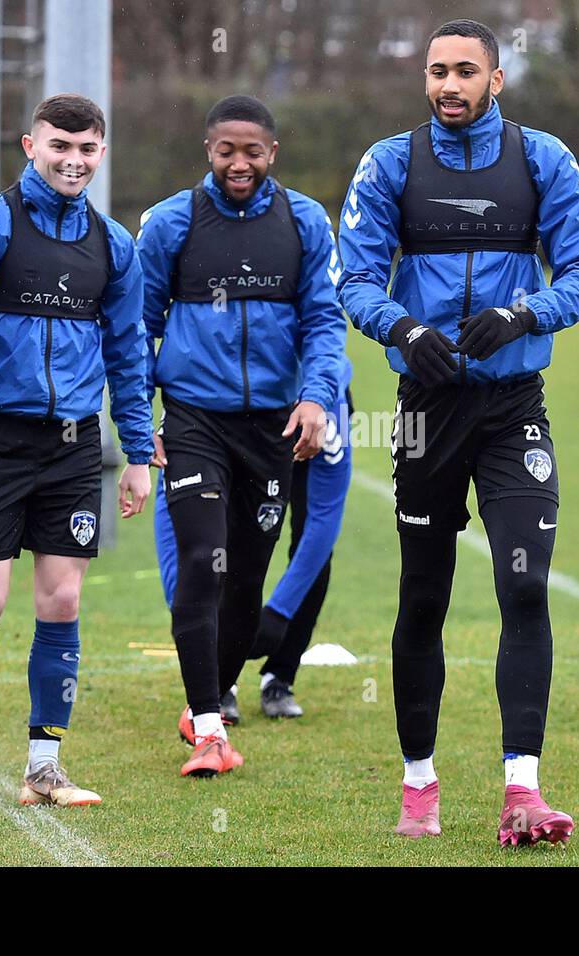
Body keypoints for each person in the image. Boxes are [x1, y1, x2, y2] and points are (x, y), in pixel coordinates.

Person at [336, 19, 579, 845]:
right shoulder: (388, 163)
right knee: (425, 597)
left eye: (464, 72)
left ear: (497, 80)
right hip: (425, 412)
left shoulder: (544, 160)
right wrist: (403, 331)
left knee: (524, 586)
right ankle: (420, 784)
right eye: (436, 72)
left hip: (512, 405)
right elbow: (352, 278)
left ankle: (522, 789)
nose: (448, 85)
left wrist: (524, 312)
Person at [0, 93, 153, 807]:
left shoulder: (115, 244)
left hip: (74, 446)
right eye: (60, 146)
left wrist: (138, 451)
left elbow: (128, 354)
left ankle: (44, 768)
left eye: (86, 150)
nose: (73, 161)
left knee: (61, 600)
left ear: (101, 154)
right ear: (31, 146)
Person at [137, 95, 347, 777]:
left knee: (245, 585)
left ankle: (211, 699)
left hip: (273, 430)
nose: (239, 162)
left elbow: (324, 321)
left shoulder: (305, 222)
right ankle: (207, 729)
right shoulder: (171, 224)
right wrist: (141, 417)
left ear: (272, 154)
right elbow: (134, 327)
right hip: (196, 418)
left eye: (252, 151)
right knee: (204, 560)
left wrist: (317, 396)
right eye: (227, 149)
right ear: (208, 151)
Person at [152, 357, 354, 721]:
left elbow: (323, 520)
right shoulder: (212, 405)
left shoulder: (326, 418)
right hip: (231, 413)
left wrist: (279, 613)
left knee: (311, 552)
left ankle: (280, 674)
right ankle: (220, 679)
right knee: (217, 537)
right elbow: (173, 511)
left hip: (307, 419)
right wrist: (182, 598)